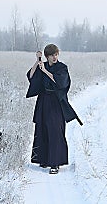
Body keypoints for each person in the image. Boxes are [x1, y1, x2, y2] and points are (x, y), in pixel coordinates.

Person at [26, 44, 81, 174]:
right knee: (42, 128)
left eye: (56, 54)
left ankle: (55, 164)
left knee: (55, 130)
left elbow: (60, 82)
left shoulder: (62, 68)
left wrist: (45, 71)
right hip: (44, 101)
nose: (54, 57)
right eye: (51, 55)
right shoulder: (42, 65)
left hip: (56, 102)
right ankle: (44, 160)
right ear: (47, 56)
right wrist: (37, 61)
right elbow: (31, 76)